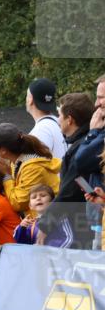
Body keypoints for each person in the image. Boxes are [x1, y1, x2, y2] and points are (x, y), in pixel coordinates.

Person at [42, 86, 104, 248]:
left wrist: (44, 226)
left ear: (69, 119)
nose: (58, 119)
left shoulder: (85, 144)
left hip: (81, 225)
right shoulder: (82, 143)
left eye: (59, 115)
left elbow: (69, 192)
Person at [0, 122, 60, 215]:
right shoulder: (16, 161)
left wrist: (6, 176)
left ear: (3, 150)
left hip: (48, 222)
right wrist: (9, 172)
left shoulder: (33, 167)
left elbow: (19, 203)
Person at [26, 77, 67, 159]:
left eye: (27, 95)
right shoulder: (60, 122)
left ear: (30, 100)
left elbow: (36, 167)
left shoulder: (40, 131)